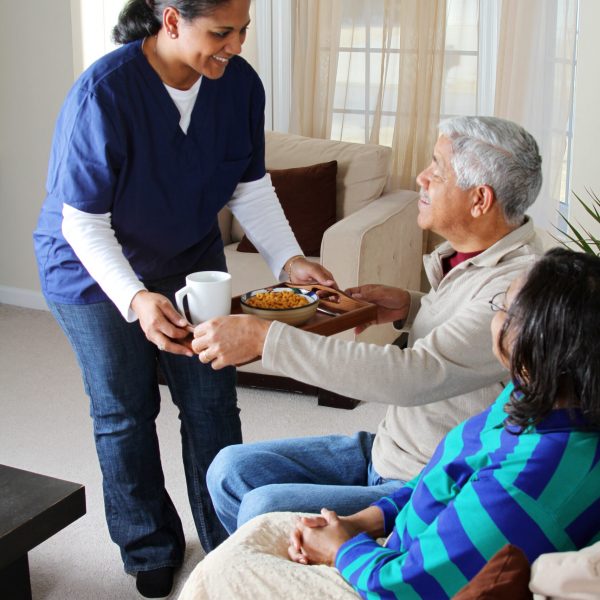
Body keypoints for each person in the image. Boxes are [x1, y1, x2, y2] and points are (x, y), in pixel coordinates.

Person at [32, 0, 333, 597]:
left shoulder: (238, 85)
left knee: (211, 402)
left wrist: (288, 258)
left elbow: (249, 187)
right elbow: (84, 224)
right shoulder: (105, 95)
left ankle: (228, 542)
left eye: (243, 30)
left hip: (190, 261)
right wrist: (137, 298)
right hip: (93, 271)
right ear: (170, 21)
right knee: (123, 411)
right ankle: (148, 545)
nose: (237, 45)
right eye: (221, 32)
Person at [178, 248, 600, 600]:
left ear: (536, 342)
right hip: (391, 476)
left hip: (388, 571)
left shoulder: (527, 482)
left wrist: (343, 547)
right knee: (231, 470)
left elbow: (405, 584)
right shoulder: (532, 397)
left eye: (504, 308)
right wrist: (366, 520)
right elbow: (446, 476)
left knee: (231, 557)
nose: (423, 178)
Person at [192, 115, 545, 534]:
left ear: (480, 200)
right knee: (229, 469)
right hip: (389, 449)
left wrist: (268, 339)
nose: (421, 177)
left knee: (263, 509)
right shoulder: (472, 255)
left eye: (437, 169)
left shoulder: (513, 290)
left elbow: (413, 376)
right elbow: (466, 343)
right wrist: (411, 306)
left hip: (426, 483)